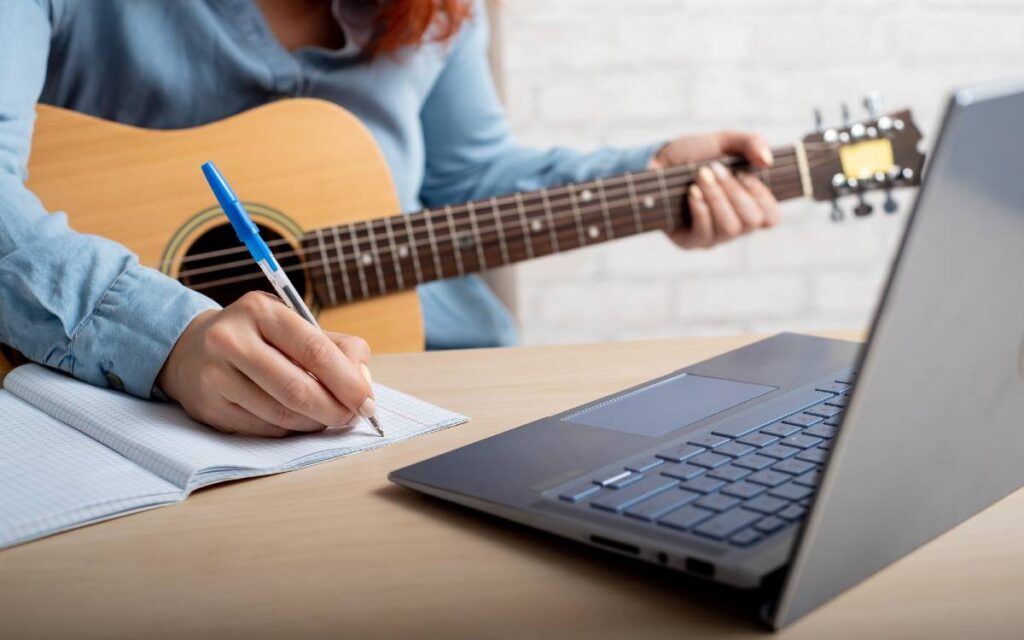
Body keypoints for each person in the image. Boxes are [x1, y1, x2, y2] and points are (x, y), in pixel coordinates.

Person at [0, 0, 779, 437]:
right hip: (111, 422)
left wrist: (647, 180)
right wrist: (167, 336)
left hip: (417, 388)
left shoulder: (441, 12)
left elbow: (466, 178)